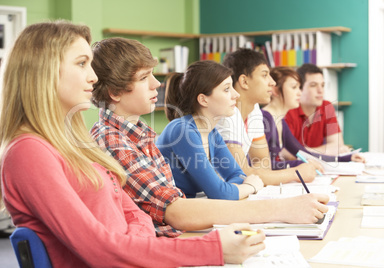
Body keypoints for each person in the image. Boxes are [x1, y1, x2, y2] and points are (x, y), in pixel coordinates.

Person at [0, 21, 267, 267]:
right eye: (82, 64)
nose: (93, 78)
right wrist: (213, 249)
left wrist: (135, 238)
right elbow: (99, 248)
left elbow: (136, 216)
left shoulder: (73, 144)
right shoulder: (28, 152)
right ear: (43, 71)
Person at [90, 37, 330, 238]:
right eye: (144, 78)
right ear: (115, 92)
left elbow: (236, 175)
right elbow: (179, 210)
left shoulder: (142, 134)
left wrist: (246, 186)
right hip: (172, 235)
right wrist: (277, 207)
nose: (157, 83)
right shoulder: (114, 139)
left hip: (184, 229)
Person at [156, 60, 264, 200]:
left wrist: (229, 191)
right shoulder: (182, 130)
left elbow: (238, 175)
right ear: (203, 100)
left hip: (192, 207)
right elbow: (220, 193)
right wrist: (250, 187)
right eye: (226, 89)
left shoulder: (212, 133)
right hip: (172, 213)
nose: (235, 94)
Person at [215, 48, 320, 185]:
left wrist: (258, 175)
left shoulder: (254, 111)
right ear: (244, 82)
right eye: (265, 75)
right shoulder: (227, 114)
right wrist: (295, 173)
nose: (272, 82)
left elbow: (263, 163)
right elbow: (242, 174)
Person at [261, 66, 365, 169]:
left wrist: (346, 158)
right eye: (294, 87)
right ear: (275, 90)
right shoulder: (266, 118)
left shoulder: (280, 121)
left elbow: (302, 153)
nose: (299, 93)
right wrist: (302, 165)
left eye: (299, 87)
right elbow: (260, 165)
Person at [285, 63, 350, 155]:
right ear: (299, 88)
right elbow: (286, 153)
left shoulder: (327, 107)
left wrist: (304, 151)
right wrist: (325, 151)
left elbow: (338, 146)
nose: (320, 90)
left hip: (319, 165)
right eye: (313, 85)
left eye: (322, 85)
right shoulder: (288, 110)